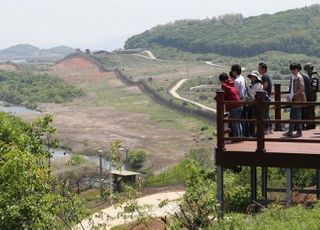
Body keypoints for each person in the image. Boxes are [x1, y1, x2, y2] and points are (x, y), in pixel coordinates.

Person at [283, 63, 306, 137]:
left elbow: (302, 88)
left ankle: (299, 132)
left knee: (297, 116)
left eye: (294, 69)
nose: (293, 71)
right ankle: (290, 131)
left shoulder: (299, 77)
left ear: (297, 69)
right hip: (293, 99)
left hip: (297, 99)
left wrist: (294, 95)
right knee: (292, 116)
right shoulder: (294, 77)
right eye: (292, 69)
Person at [219, 72, 242, 137]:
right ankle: (240, 137)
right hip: (239, 103)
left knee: (234, 122)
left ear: (221, 80)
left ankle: (237, 138)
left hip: (233, 105)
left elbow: (223, 95)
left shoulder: (224, 85)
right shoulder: (232, 82)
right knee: (238, 121)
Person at [247, 71, 263, 136]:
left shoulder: (257, 85)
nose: (252, 78)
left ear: (256, 78)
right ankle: (254, 132)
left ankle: (254, 132)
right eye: (251, 77)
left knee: (254, 118)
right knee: (254, 118)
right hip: (254, 103)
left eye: (253, 77)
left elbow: (252, 95)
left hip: (254, 103)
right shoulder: (255, 85)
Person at [258, 62, 273, 134]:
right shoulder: (268, 76)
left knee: (264, 114)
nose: (259, 70)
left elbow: (266, 85)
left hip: (265, 97)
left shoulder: (264, 76)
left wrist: (260, 90)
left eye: (259, 68)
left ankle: (266, 129)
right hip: (268, 97)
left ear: (263, 69)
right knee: (267, 114)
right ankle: (270, 128)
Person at [303, 63, 319, 129]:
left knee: (310, 110)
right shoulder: (309, 76)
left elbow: (314, 87)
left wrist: (307, 90)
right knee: (308, 110)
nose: (306, 71)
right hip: (308, 95)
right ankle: (310, 124)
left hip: (311, 96)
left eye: (307, 70)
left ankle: (310, 125)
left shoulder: (314, 76)